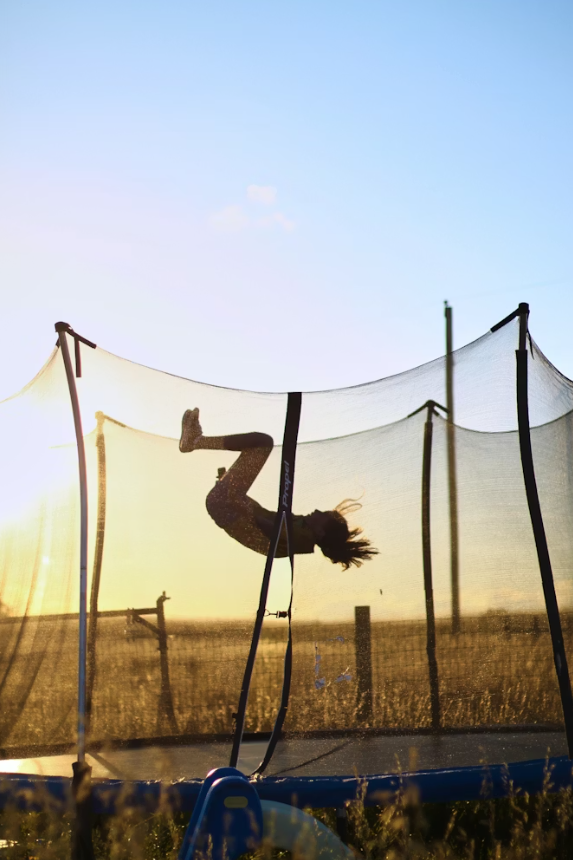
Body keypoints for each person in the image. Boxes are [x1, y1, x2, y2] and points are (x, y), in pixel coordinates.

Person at [180, 408, 378, 569]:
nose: (316, 511)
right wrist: (230, 485)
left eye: (322, 515)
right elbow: (259, 518)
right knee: (260, 444)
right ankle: (196, 441)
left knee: (262, 442)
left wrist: (234, 497)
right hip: (228, 505)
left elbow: (259, 522)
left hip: (226, 505)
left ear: (320, 532)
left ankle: (195, 441)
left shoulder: (297, 537)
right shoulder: (301, 533)